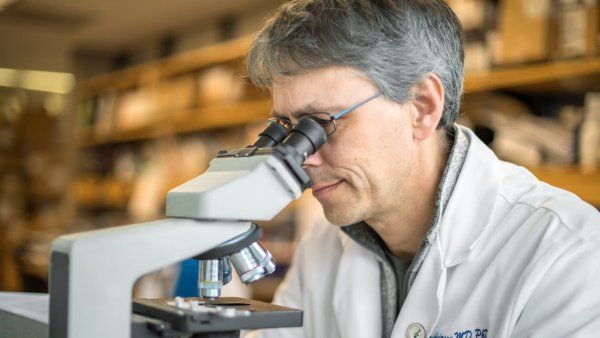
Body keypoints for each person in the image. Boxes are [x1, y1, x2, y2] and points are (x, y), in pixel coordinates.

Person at [244, 1, 600, 337]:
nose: (302, 156)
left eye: (320, 124)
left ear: (423, 107)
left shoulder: (566, 252)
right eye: (288, 129)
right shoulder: (322, 244)